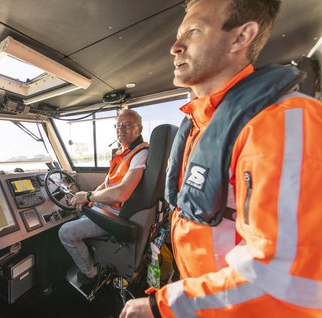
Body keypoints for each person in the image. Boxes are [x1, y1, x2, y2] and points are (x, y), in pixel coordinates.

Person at [120, 0, 322, 317]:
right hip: (205, 298)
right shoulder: (198, 125)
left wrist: (162, 307)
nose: (175, 46)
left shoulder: (284, 122)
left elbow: (282, 278)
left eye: (194, 31)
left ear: (241, 38)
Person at [59, 109, 149, 285]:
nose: (121, 129)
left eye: (127, 125)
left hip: (115, 215)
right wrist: (89, 197)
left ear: (139, 128)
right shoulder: (122, 152)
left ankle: (91, 272)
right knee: (78, 211)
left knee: (65, 232)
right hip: (107, 208)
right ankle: (96, 254)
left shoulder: (140, 153)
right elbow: (108, 184)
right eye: (118, 125)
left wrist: (88, 195)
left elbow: (121, 192)